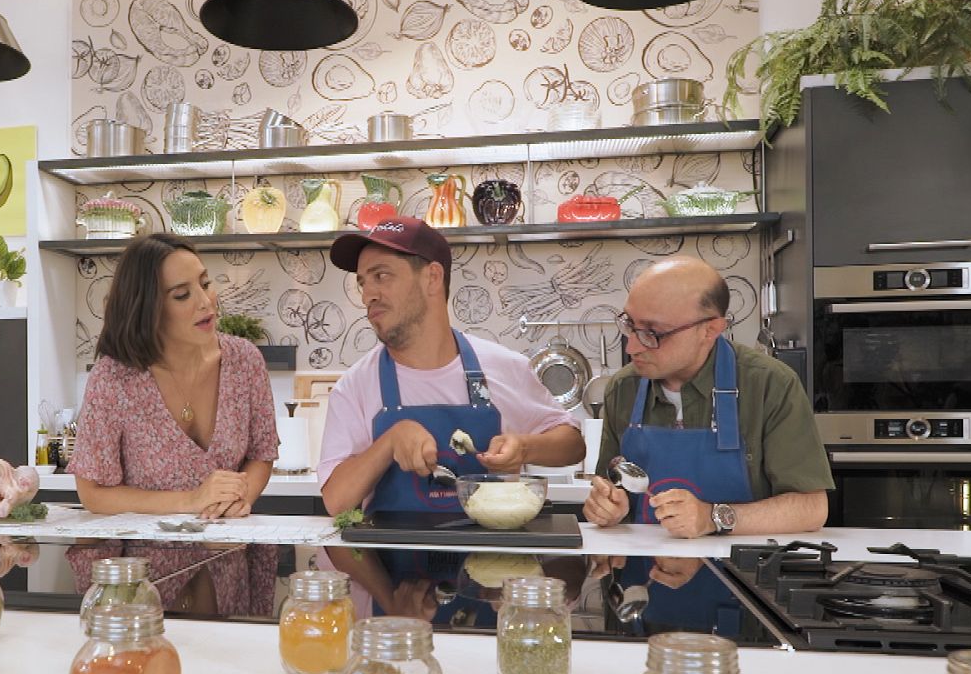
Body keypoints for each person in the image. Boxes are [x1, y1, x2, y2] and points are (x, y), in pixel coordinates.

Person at [318, 217, 585, 622]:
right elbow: (337, 501)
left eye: (381, 276)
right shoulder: (355, 387)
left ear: (432, 278)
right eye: (362, 282)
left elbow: (572, 443)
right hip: (395, 599)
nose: (368, 294)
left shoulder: (504, 368)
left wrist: (526, 447)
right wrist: (390, 442)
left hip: (495, 585)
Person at [67, 234, 279, 616]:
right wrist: (190, 500)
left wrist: (242, 492)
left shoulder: (245, 361)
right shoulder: (114, 378)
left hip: (230, 564)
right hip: (142, 585)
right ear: (148, 309)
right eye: (182, 295)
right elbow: (93, 492)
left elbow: (262, 454)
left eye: (205, 283)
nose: (205, 301)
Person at [583, 256, 832, 537]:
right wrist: (607, 507)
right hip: (644, 575)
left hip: (743, 573)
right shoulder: (623, 389)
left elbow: (811, 507)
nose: (632, 347)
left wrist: (713, 518)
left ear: (710, 330)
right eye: (629, 324)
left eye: (652, 333)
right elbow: (612, 485)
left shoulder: (769, 384)